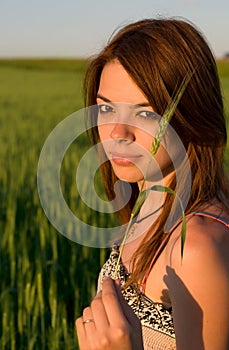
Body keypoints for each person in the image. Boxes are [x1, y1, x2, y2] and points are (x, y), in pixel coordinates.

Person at [75, 18, 229, 349]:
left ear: (193, 114)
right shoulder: (150, 202)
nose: (117, 133)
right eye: (106, 107)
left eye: (145, 113)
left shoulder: (196, 246)